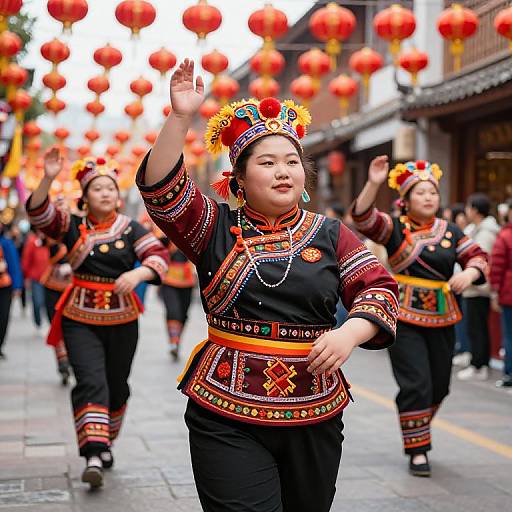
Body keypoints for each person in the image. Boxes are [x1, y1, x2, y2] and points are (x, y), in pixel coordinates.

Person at [136, 59, 399, 512]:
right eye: (268, 162)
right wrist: (180, 118)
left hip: (314, 407)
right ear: (238, 178)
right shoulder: (214, 226)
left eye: (292, 162)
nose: (284, 171)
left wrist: (349, 332)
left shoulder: (332, 234)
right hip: (225, 408)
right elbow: (161, 188)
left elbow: (378, 289)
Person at [26, 149, 169, 489]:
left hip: (122, 318)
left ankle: (105, 439)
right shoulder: (72, 226)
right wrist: (47, 177)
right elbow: (40, 214)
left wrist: (140, 275)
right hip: (80, 317)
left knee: (117, 386)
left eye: (110, 188)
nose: (106, 193)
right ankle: (93, 450)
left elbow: (156, 254)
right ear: (85, 197)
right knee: (91, 381)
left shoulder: (131, 228)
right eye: (97, 188)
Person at [352, 158, 488, 477]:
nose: (428, 198)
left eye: (432, 193)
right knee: (417, 384)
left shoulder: (451, 231)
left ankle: (417, 428)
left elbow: (478, 256)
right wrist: (374, 182)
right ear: (406, 199)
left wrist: (469, 274)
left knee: (439, 386)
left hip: (442, 316)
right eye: (421, 192)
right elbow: (362, 217)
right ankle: (418, 450)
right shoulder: (395, 228)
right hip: (403, 318)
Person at [457, 193, 499, 381]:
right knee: (476, 327)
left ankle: (479, 365)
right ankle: (478, 363)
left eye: (468, 207)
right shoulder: (481, 229)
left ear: (475, 209)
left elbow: (481, 261)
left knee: (477, 328)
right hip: (476, 288)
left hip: (479, 288)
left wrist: (471, 278)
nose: (467, 211)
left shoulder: (485, 233)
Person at [40, 235, 72, 385]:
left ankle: (68, 360)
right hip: (52, 287)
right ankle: (63, 362)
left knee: (70, 327)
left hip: (73, 287)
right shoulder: (53, 231)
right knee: (55, 325)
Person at [159, 239, 196, 361]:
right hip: (169, 280)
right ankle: (173, 341)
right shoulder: (167, 234)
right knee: (173, 311)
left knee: (183, 315)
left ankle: (177, 340)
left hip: (187, 281)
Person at [490, 197, 512, 388]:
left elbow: (496, 265)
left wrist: (495, 291)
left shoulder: (505, 236)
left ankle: (509, 374)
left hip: (508, 293)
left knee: (510, 335)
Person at [0, 222, 23, 358]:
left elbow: (14, 265)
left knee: (3, 317)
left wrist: (17, 286)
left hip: (4, 286)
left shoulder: (6, 243)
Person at [21, 228, 49, 331]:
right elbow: (26, 260)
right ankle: (38, 321)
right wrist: (26, 276)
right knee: (37, 301)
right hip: (36, 278)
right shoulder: (32, 241)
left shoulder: (49, 241)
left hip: (48, 278)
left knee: (46, 302)